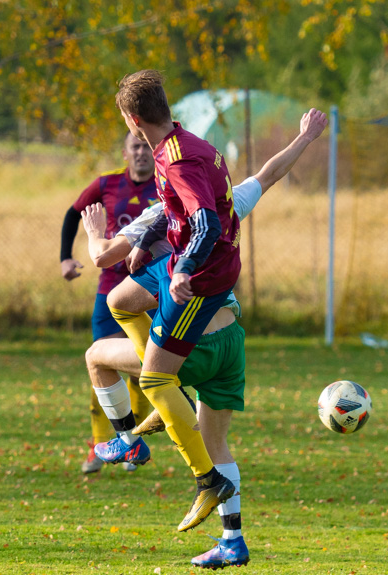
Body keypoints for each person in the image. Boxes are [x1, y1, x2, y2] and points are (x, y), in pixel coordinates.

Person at [81, 108, 327, 568]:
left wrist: (95, 233)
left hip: (189, 346)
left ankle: (129, 437)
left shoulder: (161, 214)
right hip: (232, 342)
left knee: (99, 356)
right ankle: (233, 541)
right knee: (219, 445)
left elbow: (102, 258)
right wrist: (305, 139)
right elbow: (267, 174)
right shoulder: (225, 200)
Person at [99, 69, 244, 533]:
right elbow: (178, 211)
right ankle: (170, 398)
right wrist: (149, 241)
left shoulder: (178, 159)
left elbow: (206, 225)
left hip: (201, 275)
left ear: (132, 118)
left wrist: (182, 269)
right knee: (121, 299)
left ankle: (207, 479)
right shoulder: (175, 144)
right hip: (187, 259)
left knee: (156, 378)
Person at [60, 132, 159, 474]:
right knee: (100, 363)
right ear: (126, 152)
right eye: (136, 146)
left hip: (148, 289)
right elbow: (74, 214)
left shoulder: (164, 185)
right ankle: (99, 445)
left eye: (147, 145)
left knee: (146, 370)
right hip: (110, 290)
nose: (142, 152)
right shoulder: (107, 184)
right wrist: (65, 259)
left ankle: (132, 443)